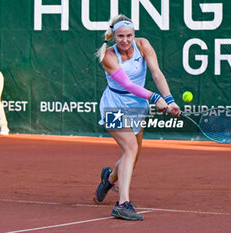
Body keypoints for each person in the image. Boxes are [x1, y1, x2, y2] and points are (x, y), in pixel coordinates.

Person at [95, 14, 180, 221]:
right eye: (121, 36)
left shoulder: (143, 45)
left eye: (129, 35)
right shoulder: (108, 56)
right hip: (114, 106)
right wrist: (155, 97)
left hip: (137, 107)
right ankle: (122, 204)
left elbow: (156, 73)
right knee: (130, 148)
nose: (125, 40)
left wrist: (169, 100)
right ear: (113, 36)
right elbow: (128, 85)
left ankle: (109, 178)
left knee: (131, 157)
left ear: (134, 35)